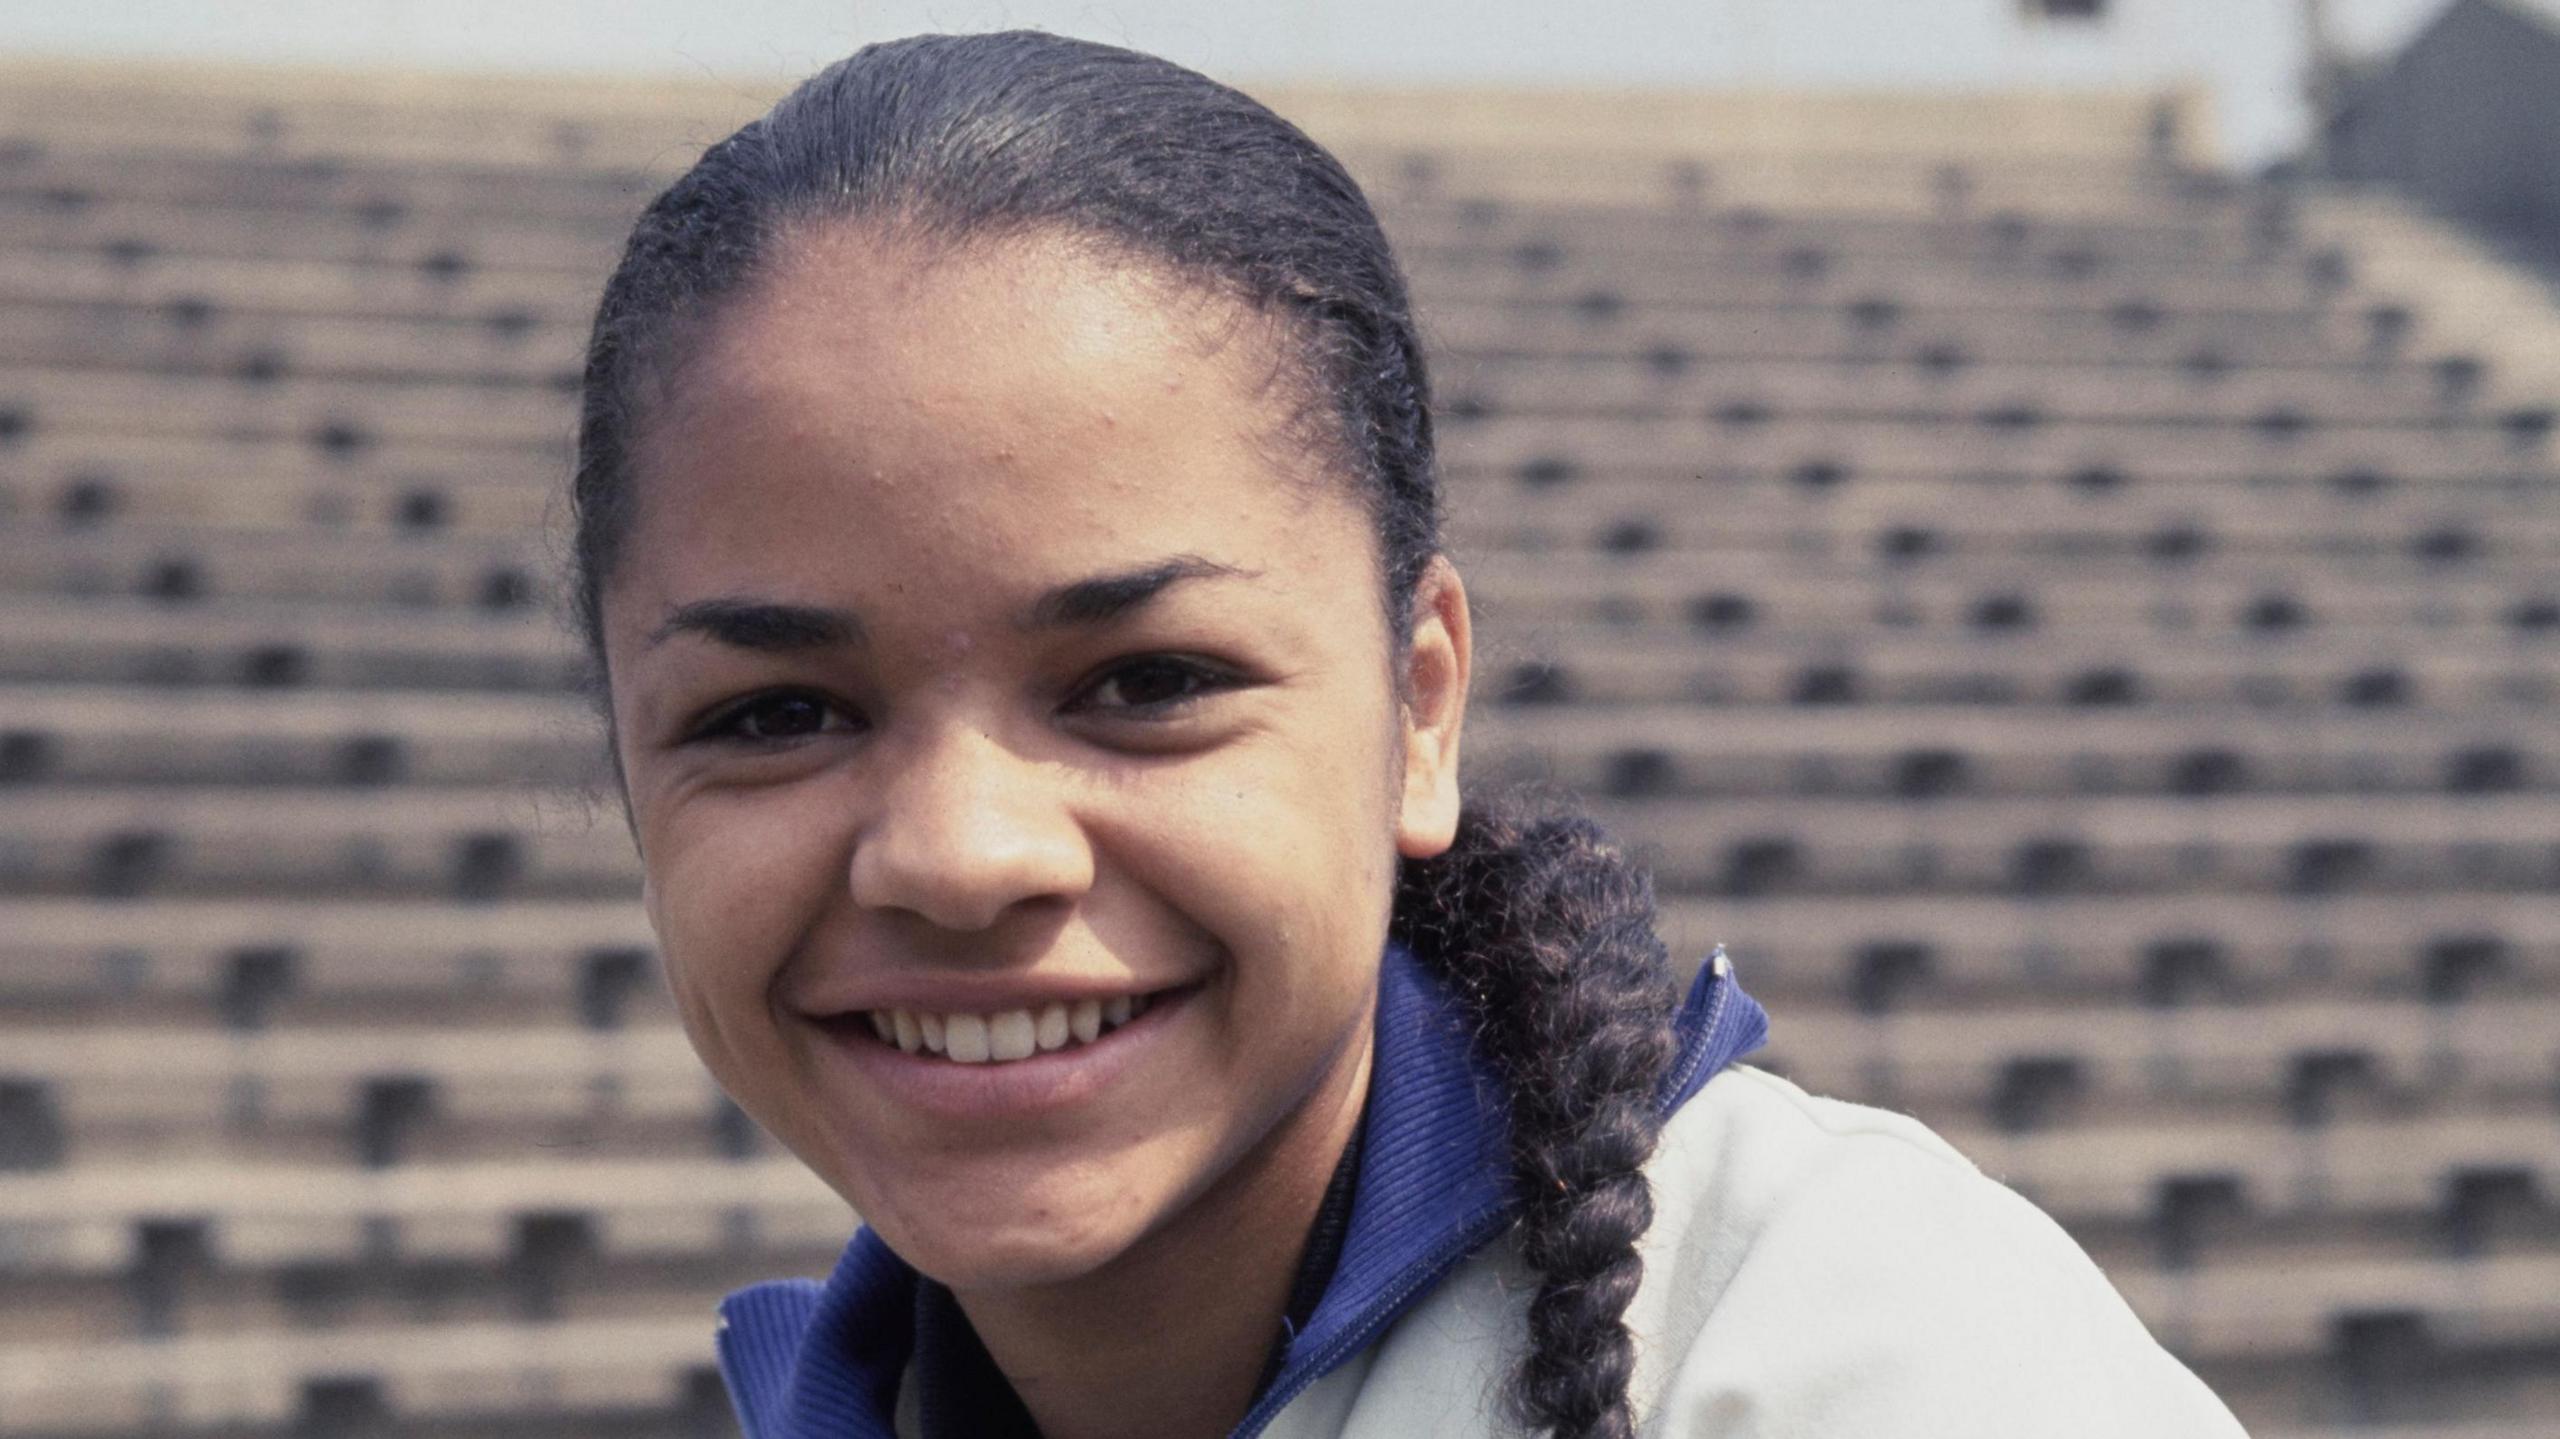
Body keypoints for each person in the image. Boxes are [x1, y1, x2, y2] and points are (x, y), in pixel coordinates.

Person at [566, 30, 2251, 1439]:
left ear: (1420, 707)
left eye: (1147, 682)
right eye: (775, 714)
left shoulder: (1875, 1360)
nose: (961, 852)